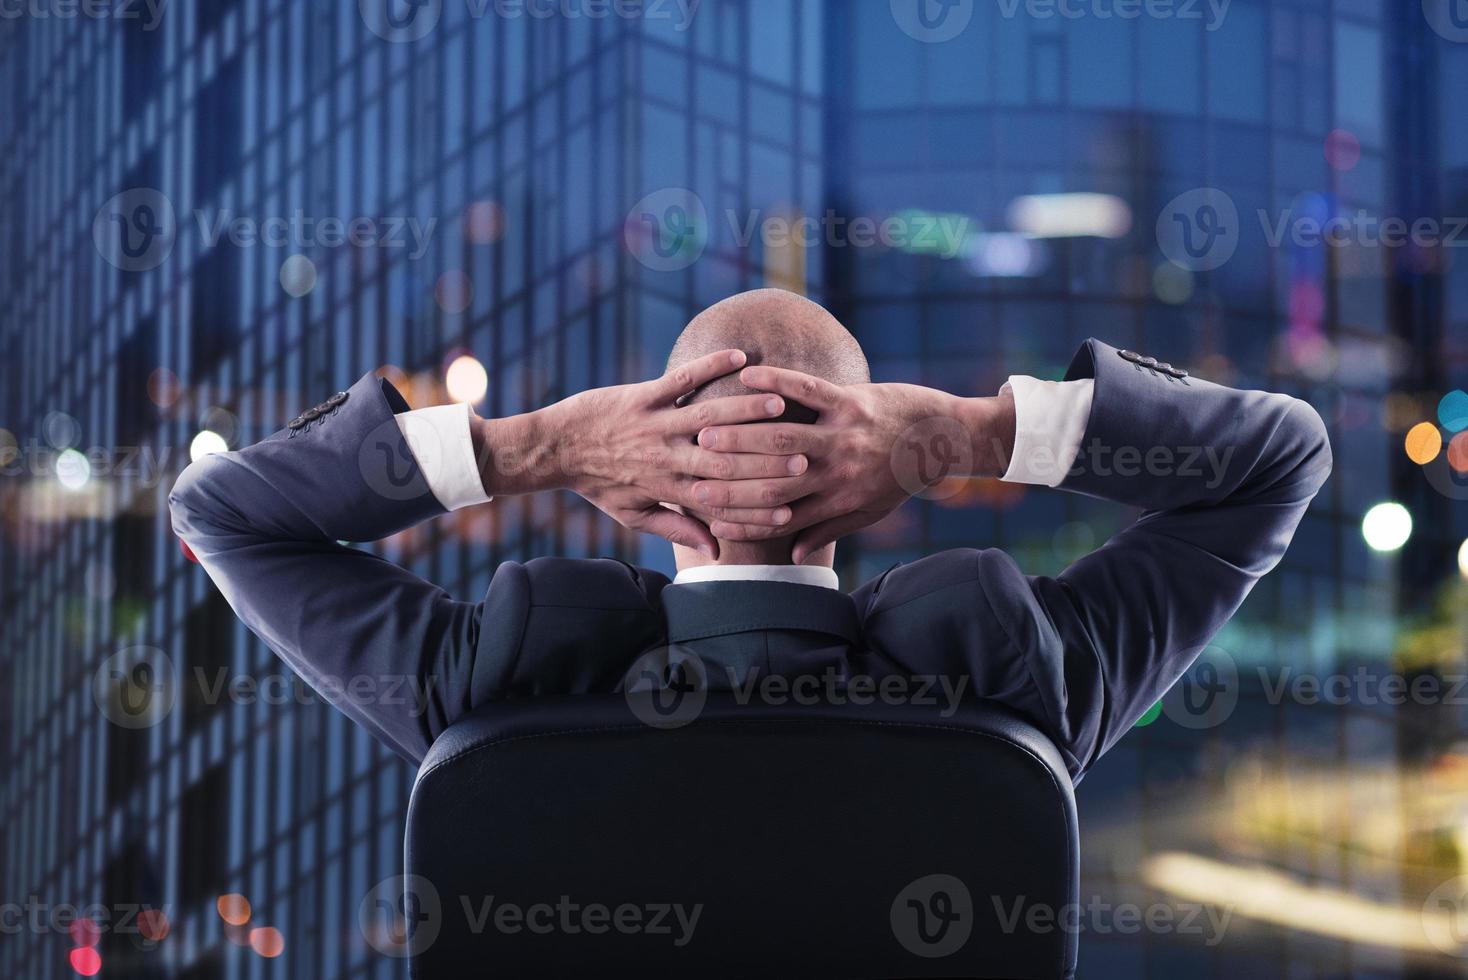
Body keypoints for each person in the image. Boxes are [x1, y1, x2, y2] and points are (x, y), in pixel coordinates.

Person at [169, 288, 1331, 778]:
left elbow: (221, 510)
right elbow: (1281, 456)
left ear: (645, 463)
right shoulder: (1027, 676)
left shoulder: (490, 688)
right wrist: (967, 432)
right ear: (878, 483)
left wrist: (539, 448)